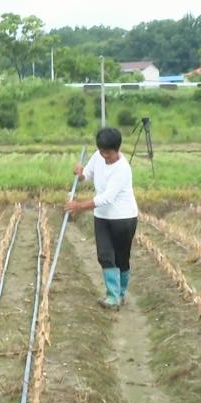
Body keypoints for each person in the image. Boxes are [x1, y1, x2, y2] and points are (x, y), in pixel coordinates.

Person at [66, 127, 139, 309]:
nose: (105, 156)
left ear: (117, 149)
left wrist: (79, 206)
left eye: (109, 153)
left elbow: (106, 198)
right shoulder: (98, 157)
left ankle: (121, 293)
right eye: (102, 152)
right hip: (102, 217)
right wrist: (80, 174)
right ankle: (112, 297)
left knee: (121, 258)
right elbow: (86, 176)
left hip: (124, 218)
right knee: (105, 255)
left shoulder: (122, 169)